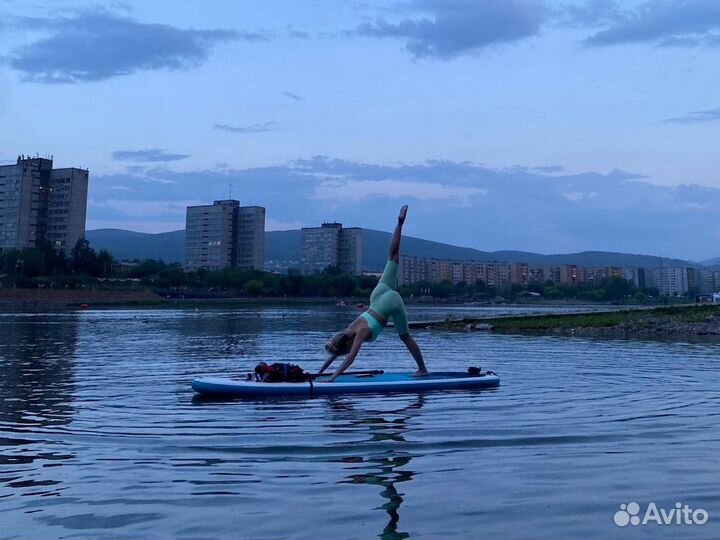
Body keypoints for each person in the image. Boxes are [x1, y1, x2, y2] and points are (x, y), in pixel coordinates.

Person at [319, 205, 428, 382]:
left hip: (389, 301)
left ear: (346, 343)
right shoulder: (345, 334)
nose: (345, 351)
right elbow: (337, 352)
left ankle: (423, 369)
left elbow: (350, 357)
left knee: (405, 336)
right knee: (392, 256)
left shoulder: (359, 331)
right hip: (377, 296)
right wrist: (319, 372)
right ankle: (399, 223)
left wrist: (332, 378)